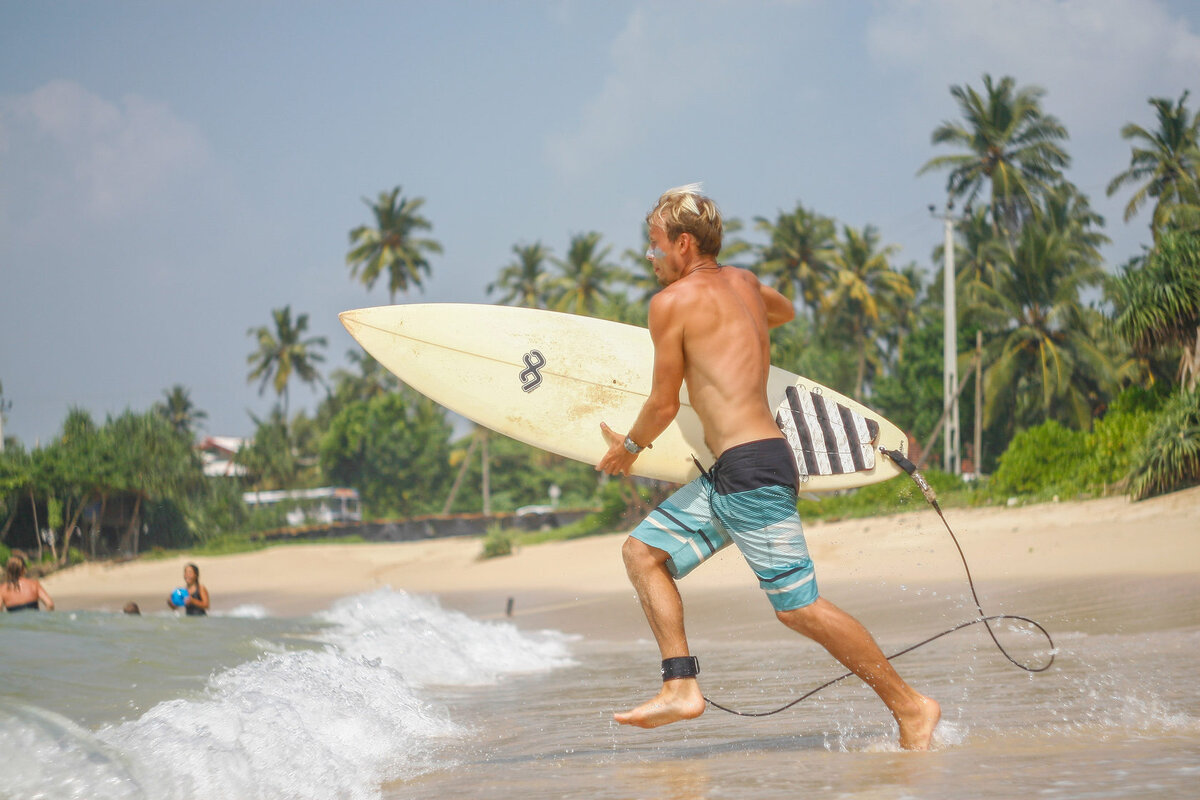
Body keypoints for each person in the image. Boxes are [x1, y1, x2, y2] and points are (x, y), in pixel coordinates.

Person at [596, 184, 940, 750]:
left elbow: (662, 403)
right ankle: (681, 685)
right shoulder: (748, 286)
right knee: (642, 553)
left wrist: (627, 450)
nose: (650, 257)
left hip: (751, 470)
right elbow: (784, 310)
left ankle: (912, 706)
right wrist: (735, 320)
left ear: (683, 243)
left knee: (799, 607)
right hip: (741, 469)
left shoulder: (671, 304)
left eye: (654, 245)